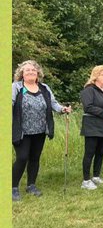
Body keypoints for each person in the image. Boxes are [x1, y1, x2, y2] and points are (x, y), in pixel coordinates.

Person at [12, 59, 71, 202]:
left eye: (33, 70)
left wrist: (62, 109)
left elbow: (53, 103)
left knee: (35, 158)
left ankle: (31, 185)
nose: (31, 72)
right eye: (27, 70)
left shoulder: (44, 88)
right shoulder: (17, 87)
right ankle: (13, 188)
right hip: (22, 130)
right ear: (21, 74)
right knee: (22, 157)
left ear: (38, 73)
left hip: (40, 130)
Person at [79, 65, 103, 190]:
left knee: (100, 152)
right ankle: (86, 180)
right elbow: (88, 107)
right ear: (96, 76)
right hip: (92, 126)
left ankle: (96, 176)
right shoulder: (89, 90)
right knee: (89, 153)